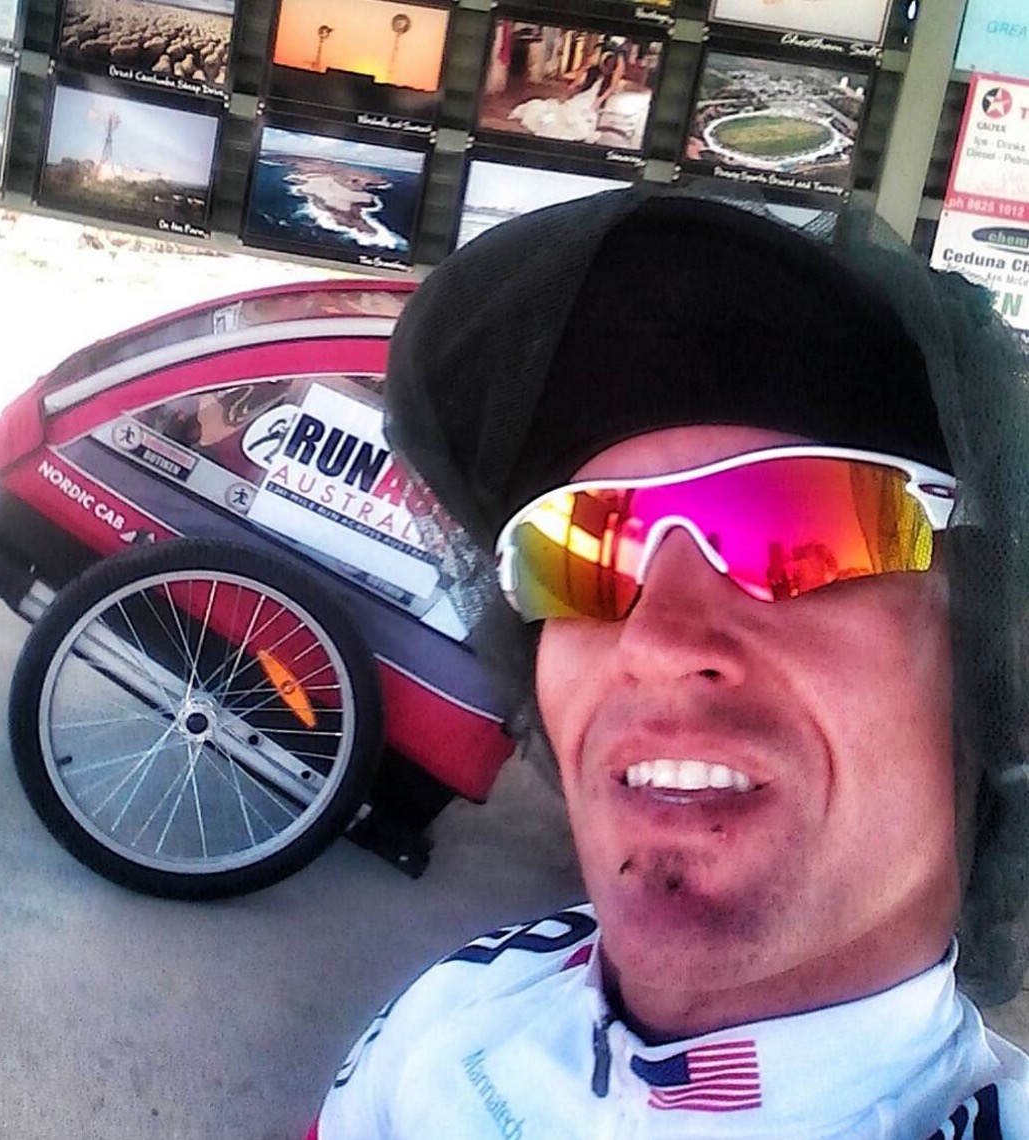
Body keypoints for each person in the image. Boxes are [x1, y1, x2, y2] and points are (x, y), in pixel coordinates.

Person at [309, 187, 1029, 1137]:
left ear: (994, 655)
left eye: (800, 526)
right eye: (580, 552)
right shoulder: (445, 1023)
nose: (655, 642)